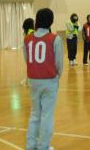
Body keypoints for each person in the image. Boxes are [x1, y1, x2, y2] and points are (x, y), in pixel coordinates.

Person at [24, 8, 63, 150]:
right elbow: (59, 63)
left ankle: (30, 146)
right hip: (49, 80)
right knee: (47, 115)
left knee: (34, 114)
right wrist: (57, 77)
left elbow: (27, 60)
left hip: (33, 80)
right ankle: (43, 146)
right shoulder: (55, 39)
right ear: (51, 21)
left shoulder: (27, 39)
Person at [22, 18, 35, 86]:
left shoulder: (26, 32)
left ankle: (28, 80)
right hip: (30, 51)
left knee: (29, 66)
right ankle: (29, 80)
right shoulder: (32, 32)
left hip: (26, 51)